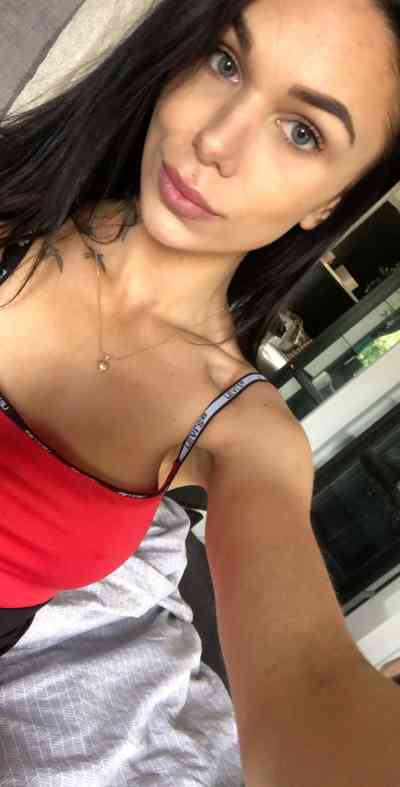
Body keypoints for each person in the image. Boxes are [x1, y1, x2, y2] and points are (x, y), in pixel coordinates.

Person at [1, 0, 400, 783]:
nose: (215, 141)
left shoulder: (240, 431)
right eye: (225, 62)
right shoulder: (21, 206)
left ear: (328, 203)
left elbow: (310, 685)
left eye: (302, 132)